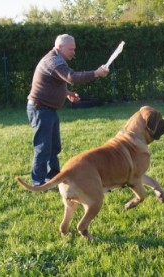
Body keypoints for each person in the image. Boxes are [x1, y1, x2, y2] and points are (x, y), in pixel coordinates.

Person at [26, 34, 109, 186]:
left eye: (74, 49)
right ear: (60, 47)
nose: (73, 52)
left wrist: (66, 93)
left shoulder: (57, 59)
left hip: (48, 110)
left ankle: (53, 177)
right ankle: (38, 183)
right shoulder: (53, 61)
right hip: (40, 109)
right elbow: (72, 77)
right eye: (71, 49)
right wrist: (96, 73)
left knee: (54, 147)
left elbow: (52, 82)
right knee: (43, 147)